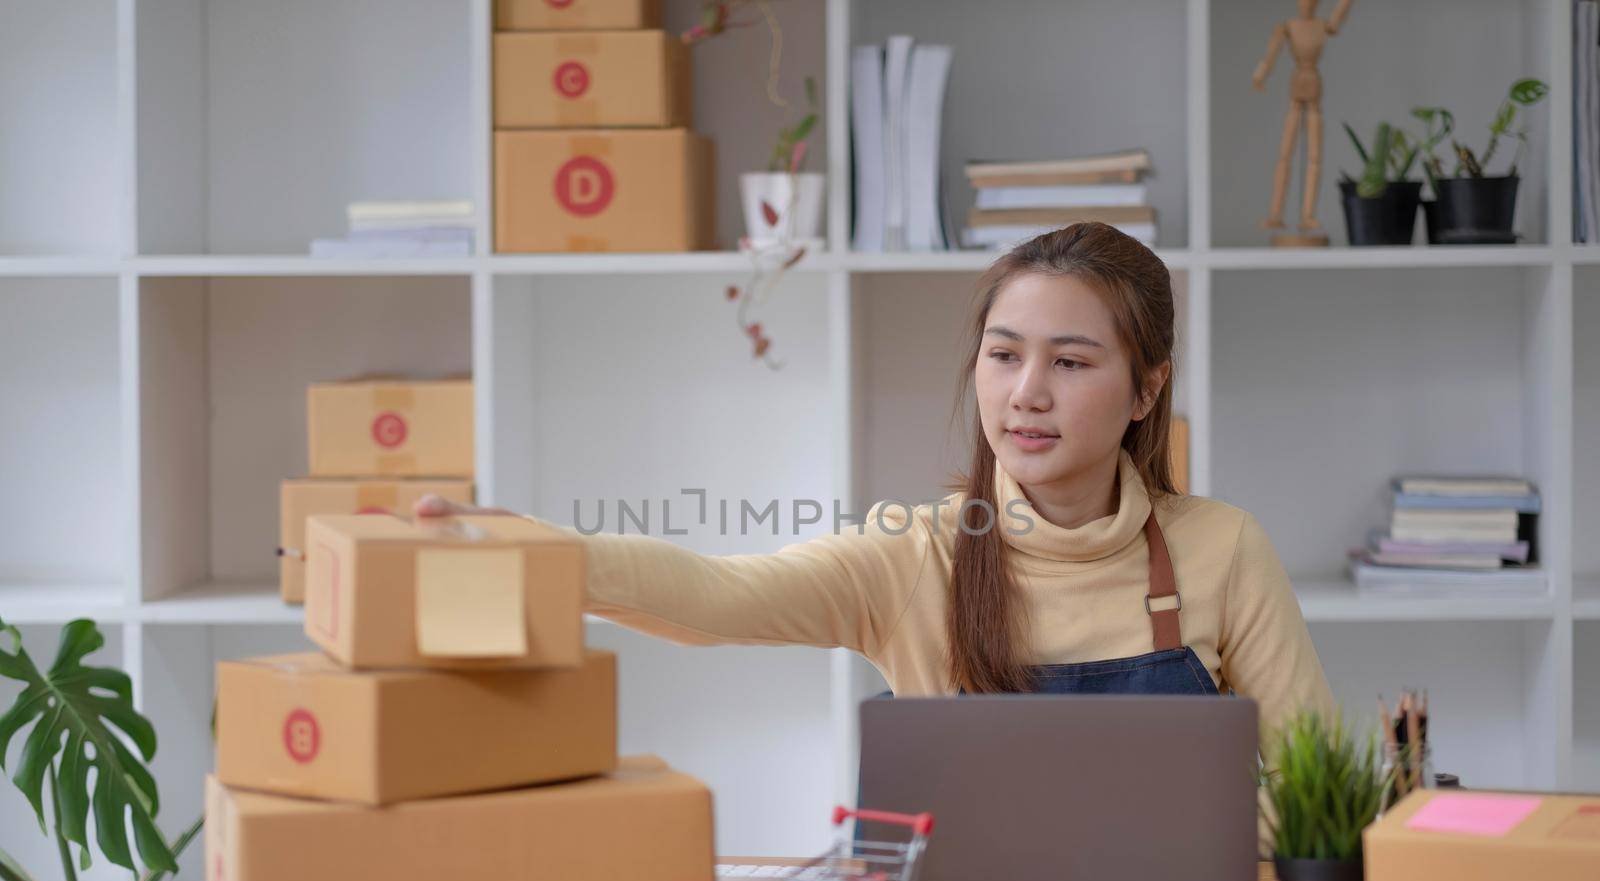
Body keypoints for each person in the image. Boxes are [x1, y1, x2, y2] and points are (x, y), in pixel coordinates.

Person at [416, 222, 1333, 741]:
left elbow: (1314, 791)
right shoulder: (917, 554)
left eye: (1073, 362)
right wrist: (539, 551)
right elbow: (716, 596)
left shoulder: (1224, 549)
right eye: (1004, 355)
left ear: (1147, 388)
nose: (1026, 394)